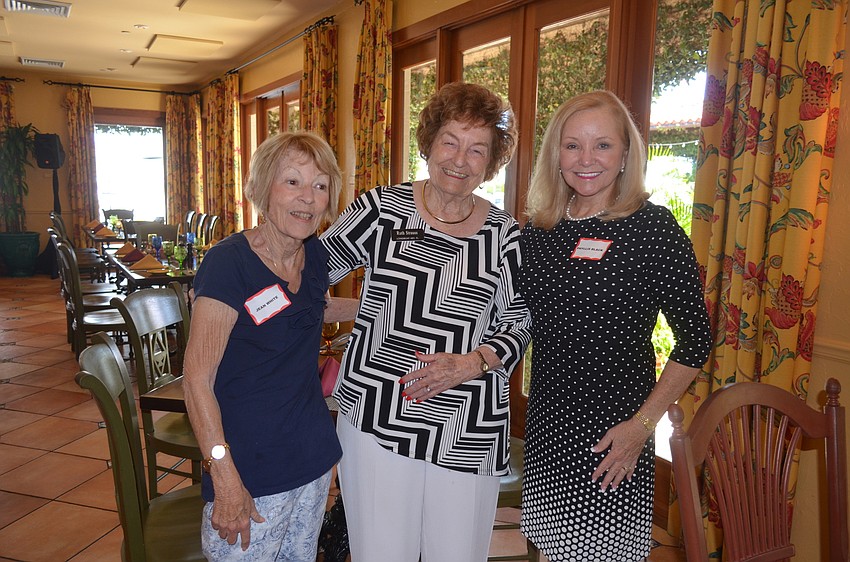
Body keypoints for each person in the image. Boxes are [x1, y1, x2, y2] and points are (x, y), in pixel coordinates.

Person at [320, 81, 532, 562]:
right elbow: (310, 273)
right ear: (430, 142)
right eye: (450, 141)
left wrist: (471, 363)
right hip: (378, 410)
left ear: (491, 161)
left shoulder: (504, 233)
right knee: (382, 553)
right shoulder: (381, 211)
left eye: (477, 149)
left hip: (468, 421)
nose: (460, 159)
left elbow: (519, 323)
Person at [518, 90, 712, 561]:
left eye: (602, 145)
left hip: (615, 436)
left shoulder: (653, 230)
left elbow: (696, 340)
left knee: (600, 551)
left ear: (626, 154)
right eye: (572, 145)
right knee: (547, 548)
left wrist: (642, 427)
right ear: (555, 155)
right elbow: (512, 320)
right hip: (547, 429)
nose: (586, 159)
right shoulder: (538, 232)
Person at [183, 131, 350, 561]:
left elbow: (312, 308)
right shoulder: (229, 263)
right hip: (248, 471)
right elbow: (196, 380)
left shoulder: (314, 256)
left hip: (312, 460)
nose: (307, 197)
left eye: (320, 185)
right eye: (292, 181)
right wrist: (222, 474)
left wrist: (382, 309)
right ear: (262, 188)